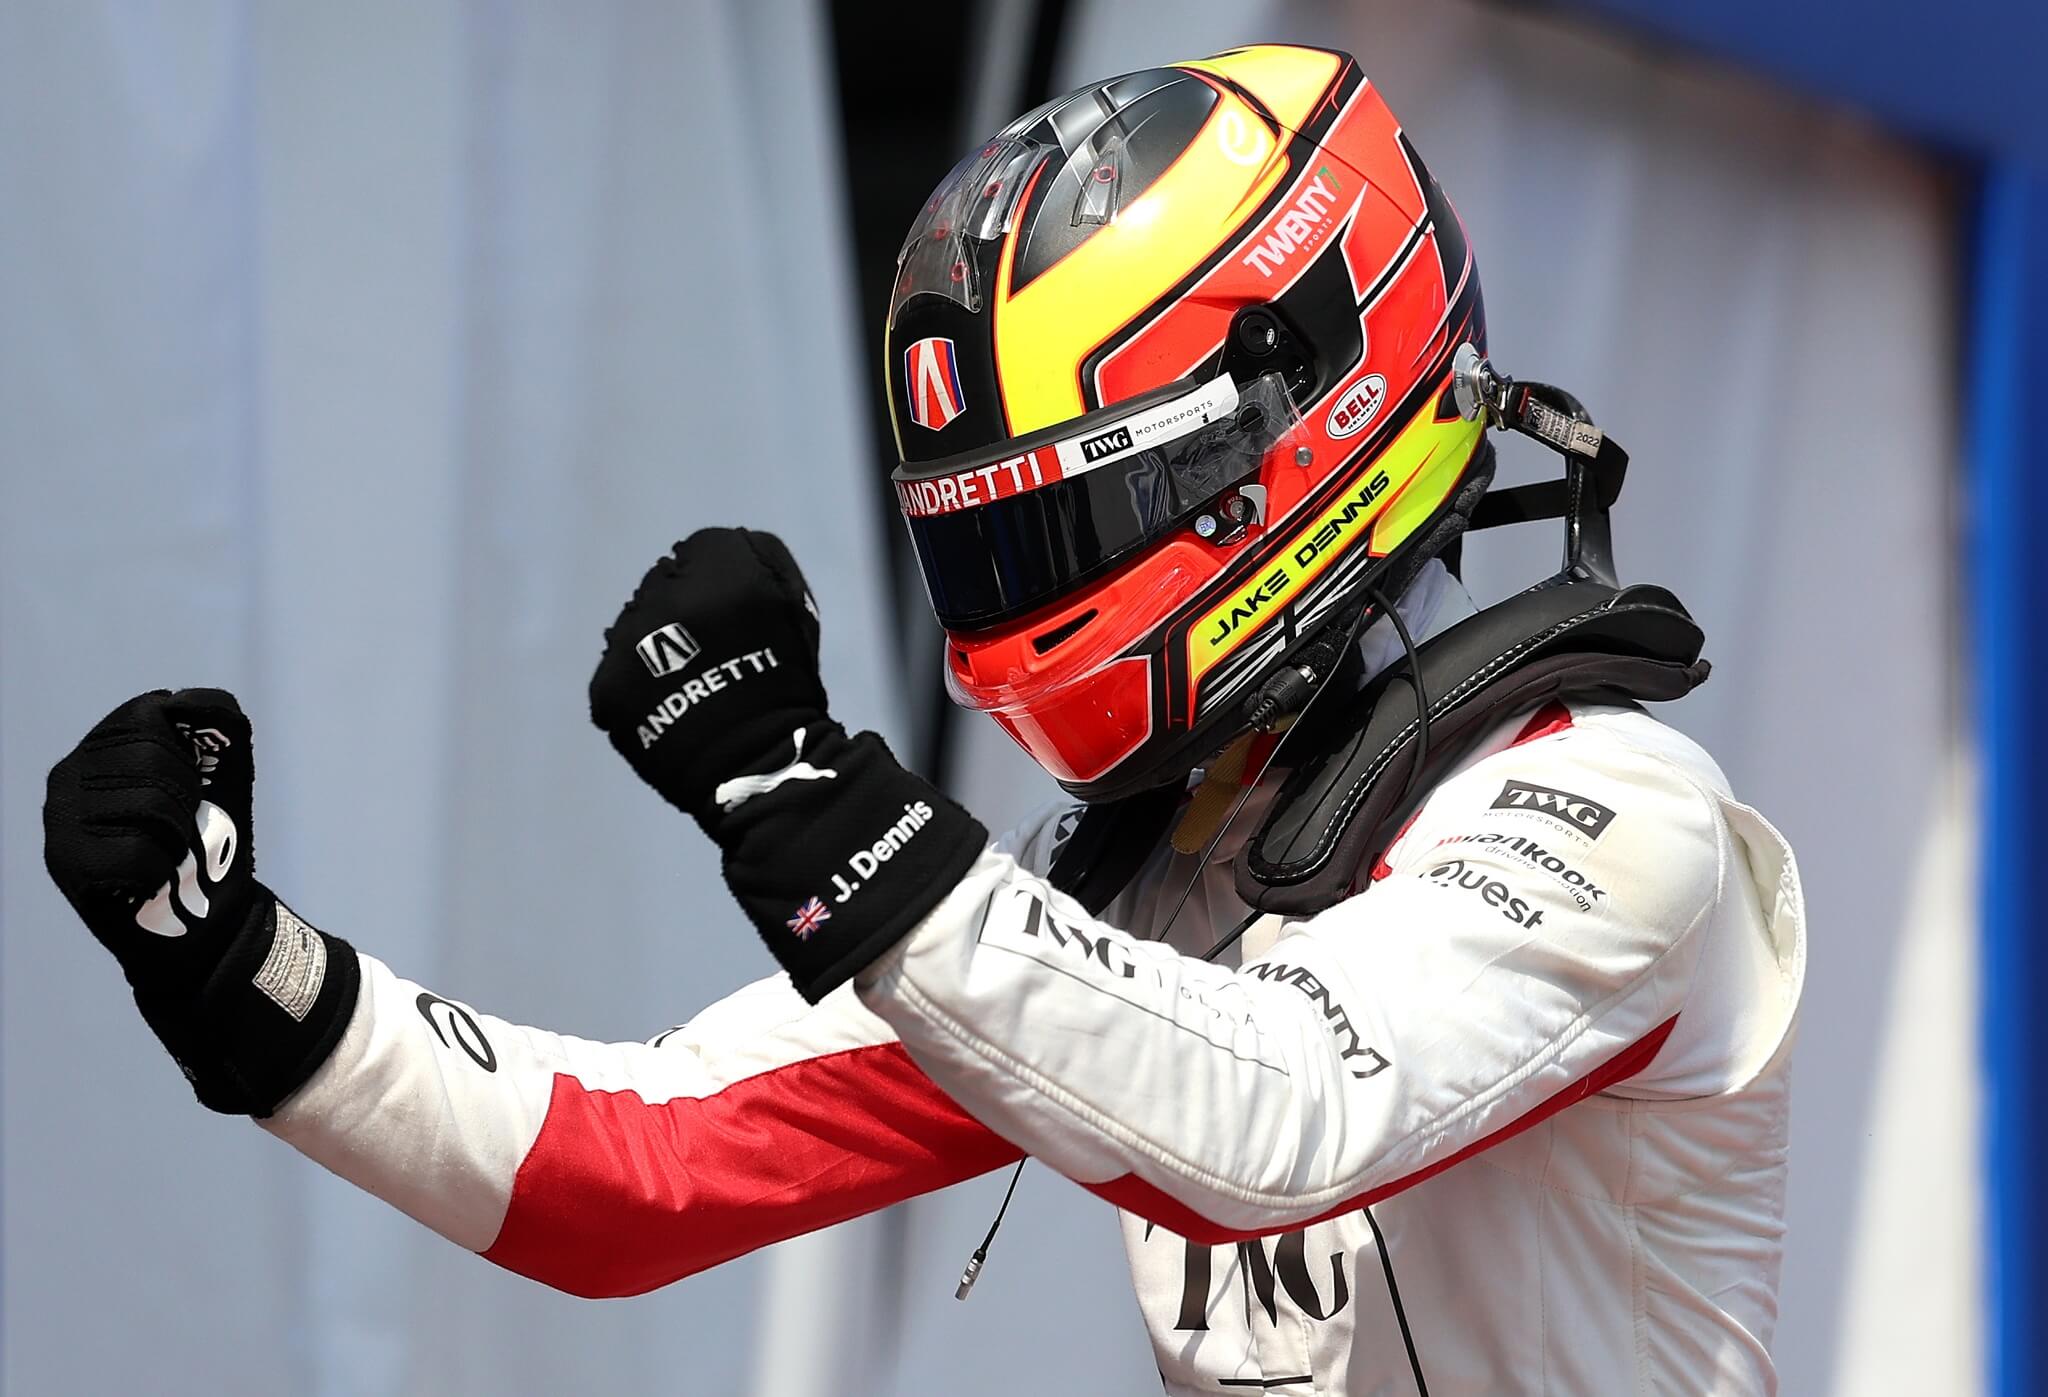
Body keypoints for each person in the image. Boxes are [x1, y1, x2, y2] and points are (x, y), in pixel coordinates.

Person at [42, 45, 1805, 1395]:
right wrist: (238, 968)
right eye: (985, 543)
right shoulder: (1167, 872)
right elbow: (637, 1166)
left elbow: (1276, 1128)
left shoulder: (1621, 820)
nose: (1024, 601)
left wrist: (816, 809)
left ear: (1289, 432)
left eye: (1056, 526)